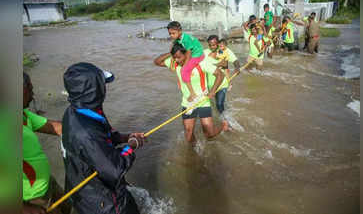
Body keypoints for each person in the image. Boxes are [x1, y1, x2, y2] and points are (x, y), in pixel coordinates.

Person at [61, 63, 146, 214]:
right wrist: (132, 145)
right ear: (94, 91)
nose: (105, 89)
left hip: (84, 189)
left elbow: (104, 134)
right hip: (101, 202)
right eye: (103, 85)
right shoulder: (86, 131)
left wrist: (125, 137)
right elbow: (115, 170)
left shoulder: (77, 110)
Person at [154, 43, 229, 145]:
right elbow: (157, 62)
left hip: (203, 101)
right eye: (175, 58)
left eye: (179, 57)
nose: (177, 60)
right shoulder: (175, 64)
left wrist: (212, 92)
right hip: (187, 103)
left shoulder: (200, 63)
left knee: (209, 134)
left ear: (187, 54)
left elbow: (220, 75)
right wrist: (171, 53)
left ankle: (223, 126)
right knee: (189, 137)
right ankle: (196, 151)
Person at [22, 72, 69, 214]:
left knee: (68, 206)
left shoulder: (23, 115)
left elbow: (56, 128)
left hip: (47, 184)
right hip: (31, 199)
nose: (33, 89)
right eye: (29, 86)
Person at [203, 35, 240, 122]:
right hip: (210, 85)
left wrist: (237, 68)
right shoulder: (204, 53)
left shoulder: (224, 50)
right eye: (210, 45)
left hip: (222, 83)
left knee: (219, 104)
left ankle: (226, 121)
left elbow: (235, 60)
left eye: (214, 44)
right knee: (215, 104)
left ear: (218, 43)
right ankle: (221, 118)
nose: (212, 47)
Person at [167, 21, 205, 102]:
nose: (171, 35)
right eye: (170, 34)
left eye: (173, 33)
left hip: (197, 55)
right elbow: (172, 49)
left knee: (184, 71)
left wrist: (186, 65)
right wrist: (171, 63)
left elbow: (189, 52)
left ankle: (193, 94)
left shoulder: (186, 39)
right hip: (192, 54)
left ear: (180, 31)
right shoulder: (177, 39)